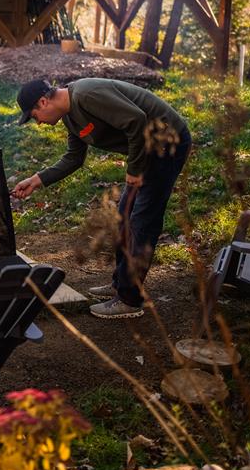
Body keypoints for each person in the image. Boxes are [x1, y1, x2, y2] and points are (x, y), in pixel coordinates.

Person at [12, 77, 191, 319]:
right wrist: (36, 180)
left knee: (141, 222)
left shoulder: (87, 95)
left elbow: (137, 120)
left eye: (34, 116)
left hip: (166, 143)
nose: (39, 123)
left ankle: (130, 300)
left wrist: (135, 169)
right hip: (148, 150)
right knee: (124, 218)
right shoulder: (70, 117)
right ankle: (121, 285)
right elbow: (74, 158)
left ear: (43, 102)